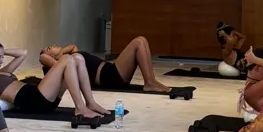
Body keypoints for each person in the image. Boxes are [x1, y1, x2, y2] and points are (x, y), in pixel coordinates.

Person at [0, 36, 110, 120]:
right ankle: (80, 107)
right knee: (67, 59)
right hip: (35, 101)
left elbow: (23, 53)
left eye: (2, 58)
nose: (0, 61)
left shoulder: (3, 72)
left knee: (78, 58)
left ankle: (90, 102)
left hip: (43, 98)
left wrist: (0, 51)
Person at [40, 37, 170, 94]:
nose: (52, 45)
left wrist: (60, 52)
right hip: (108, 77)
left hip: (110, 70)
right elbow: (42, 58)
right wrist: (52, 56)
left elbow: (73, 46)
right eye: (48, 48)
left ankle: (151, 81)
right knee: (138, 42)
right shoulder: (61, 65)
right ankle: (150, 83)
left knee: (142, 40)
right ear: (49, 57)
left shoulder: (69, 56)